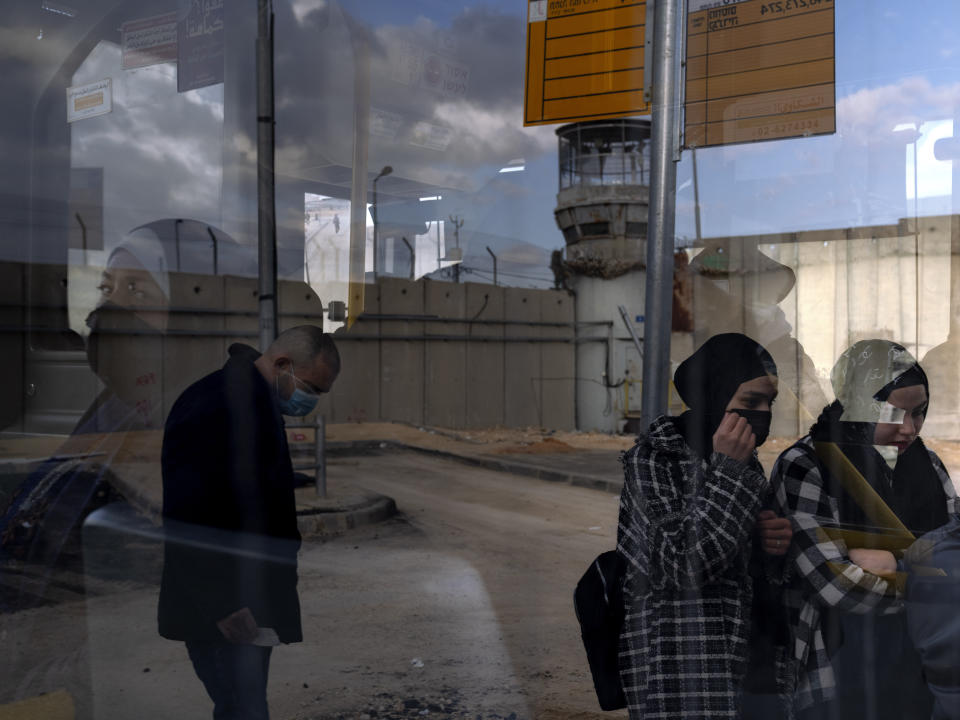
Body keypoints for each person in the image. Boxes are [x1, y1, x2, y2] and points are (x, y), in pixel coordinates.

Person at [158, 326, 340, 720]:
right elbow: (188, 512)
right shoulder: (218, 404)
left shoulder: (251, 402)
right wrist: (223, 604)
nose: (312, 402)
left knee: (244, 707)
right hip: (227, 611)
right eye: (312, 388)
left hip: (246, 603)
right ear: (282, 364)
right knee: (243, 710)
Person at [771, 339, 958, 720]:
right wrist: (930, 582)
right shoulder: (808, 464)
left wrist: (892, 566)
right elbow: (835, 584)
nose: (909, 429)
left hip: (923, 662)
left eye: (919, 412)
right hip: (840, 664)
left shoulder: (929, 464)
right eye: (893, 413)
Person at [617, 333, 791, 719]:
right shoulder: (653, 461)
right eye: (750, 402)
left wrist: (768, 542)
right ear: (715, 393)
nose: (761, 413)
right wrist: (728, 470)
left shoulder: (744, 458)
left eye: (769, 403)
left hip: (756, 666)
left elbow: (737, 555)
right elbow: (682, 564)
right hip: (687, 674)